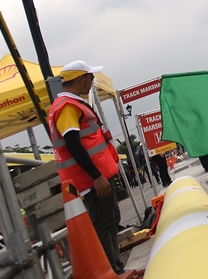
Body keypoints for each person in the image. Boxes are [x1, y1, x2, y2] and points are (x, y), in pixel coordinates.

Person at [47, 61, 125, 274]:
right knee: (102, 225)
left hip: (97, 176)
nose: (92, 82)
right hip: (91, 180)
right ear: (80, 78)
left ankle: (115, 268)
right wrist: (96, 176)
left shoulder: (71, 104)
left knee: (110, 220)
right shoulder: (66, 107)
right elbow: (73, 144)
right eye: (90, 78)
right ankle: (112, 271)